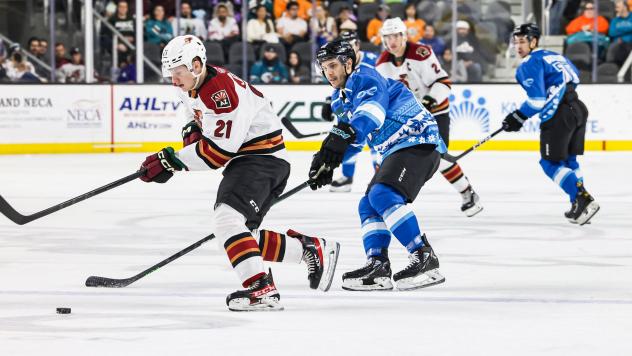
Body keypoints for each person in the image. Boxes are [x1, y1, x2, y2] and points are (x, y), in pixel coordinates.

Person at [140, 35, 340, 311]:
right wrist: (191, 130)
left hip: (261, 160)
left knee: (227, 221)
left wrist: (170, 160)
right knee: (242, 234)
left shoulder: (222, 93)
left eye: (177, 74)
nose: (174, 81)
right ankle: (308, 250)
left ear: (196, 65)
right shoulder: (190, 82)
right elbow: (189, 108)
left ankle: (261, 289)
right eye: (170, 75)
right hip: (254, 160)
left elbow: (217, 154)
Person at [310, 39, 446, 291]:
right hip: (398, 149)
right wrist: (327, 162)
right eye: (324, 67)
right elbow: (352, 139)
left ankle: (424, 256)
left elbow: (371, 114)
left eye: (332, 65)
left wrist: (338, 140)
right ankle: (378, 264)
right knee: (369, 203)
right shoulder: (339, 100)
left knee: (383, 194)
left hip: (418, 143)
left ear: (348, 63)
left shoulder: (366, 77)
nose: (328, 72)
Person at [376, 18, 483, 217]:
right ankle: (387, 193)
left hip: (435, 112)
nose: (392, 41)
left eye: (396, 36)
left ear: (404, 36)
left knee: (438, 156)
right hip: (410, 117)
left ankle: (467, 192)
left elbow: (443, 82)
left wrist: (429, 101)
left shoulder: (420, 53)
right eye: (388, 37)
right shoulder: (382, 64)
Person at [503, 24, 599, 225]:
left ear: (534, 41)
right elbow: (574, 78)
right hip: (578, 108)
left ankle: (583, 198)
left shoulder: (530, 63)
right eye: (516, 42)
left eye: (522, 41)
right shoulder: (555, 56)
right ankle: (579, 205)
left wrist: (518, 116)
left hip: (559, 114)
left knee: (550, 163)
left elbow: (537, 101)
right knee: (570, 161)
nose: (518, 46)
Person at [324, 30, 380, 192]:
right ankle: (347, 177)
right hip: (349, 105)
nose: (349, 48)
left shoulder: (373, 60)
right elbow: (336, 82)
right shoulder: (341, 61)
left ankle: (380, 175)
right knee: (345, 137)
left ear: (358, 44)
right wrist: (330, 101)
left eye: (351, 44)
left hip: (371, 105)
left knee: (375, 139)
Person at [608, 0, 632, 66]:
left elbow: (615, 32)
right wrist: (629, 29)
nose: (616, 8)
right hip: (617, 45)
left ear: (624, 6)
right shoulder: (615, 20)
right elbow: (612, 33)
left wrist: (619, 30)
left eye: (618, 6)